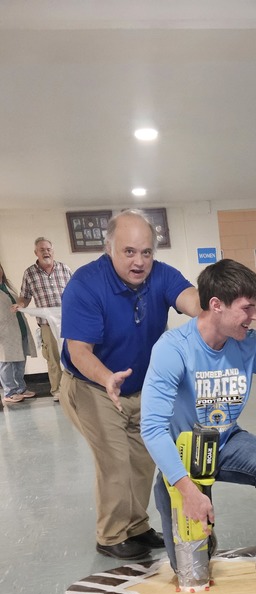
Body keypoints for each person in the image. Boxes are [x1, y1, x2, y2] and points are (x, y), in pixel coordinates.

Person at [141, 258, 256, 580]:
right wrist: (186, 490)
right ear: (216, 305)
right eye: (247, 307)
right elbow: (152, 428)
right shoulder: (173, 349)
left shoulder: (250, 343)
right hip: (184, 453)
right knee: (189, 571)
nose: (254, 316)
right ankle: (201, 538)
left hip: (225, 440)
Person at [59, 209, 201, 561]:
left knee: (142, 461)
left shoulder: (162, 276)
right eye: (129, 252)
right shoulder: (86, 284)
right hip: (92, 385)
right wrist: (107, 377)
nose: (139, 261)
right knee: (115, 460)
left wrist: (219, 300)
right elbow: (78, 352)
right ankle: (110, 535)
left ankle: (136, 526)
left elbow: (194, 302)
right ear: (109, 248)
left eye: (147, 252)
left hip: (142, 388)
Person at [13, 237, 71, 400]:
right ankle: (58, 391)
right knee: (53, 357)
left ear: (52, 251)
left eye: (48, 249)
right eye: (42, 250)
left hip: (69, 322)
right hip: (47, 324)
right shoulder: (30, 273)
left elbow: (76, 290)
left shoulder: (64, 268)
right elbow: (24, 296)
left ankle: (76, 389)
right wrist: (20, 305)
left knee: (75, 354)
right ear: (36, 253)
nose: (46, 252)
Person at [0, 262, 38, 406]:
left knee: (19, 361)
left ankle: (21, 389)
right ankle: (9, 392)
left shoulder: (7, 287)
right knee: (6, 363)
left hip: (18, 329)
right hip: (4, 333)